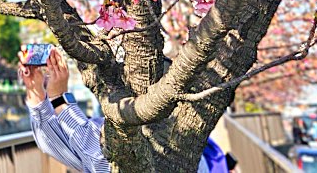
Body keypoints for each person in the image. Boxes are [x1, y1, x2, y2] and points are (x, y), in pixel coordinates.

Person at [19, 48, 235, 173]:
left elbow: (101, 161)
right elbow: (55, 145)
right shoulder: (104, 127)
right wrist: (36, 92)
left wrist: (58, 99)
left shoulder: (182, 151)